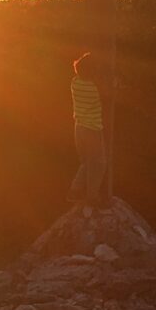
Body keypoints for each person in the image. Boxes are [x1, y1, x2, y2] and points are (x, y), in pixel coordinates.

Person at [68, 52, 107, 208]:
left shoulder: (74, 83)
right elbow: (109, 93)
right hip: (93, 130)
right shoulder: (95, 88)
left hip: (79, 128)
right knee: (99, 163)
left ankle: (74, 191)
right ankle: (92, 197)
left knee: (87, 161)